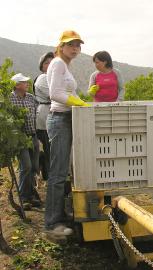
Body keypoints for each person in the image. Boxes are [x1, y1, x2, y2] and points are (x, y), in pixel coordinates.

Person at [45, 30, 89, 237]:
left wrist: (81, 99)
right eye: (71, 44)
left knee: (63, 171)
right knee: (57, 174)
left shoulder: (65, 65)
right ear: (61, 46)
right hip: (59, 119)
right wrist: (75, 101)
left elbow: (67, 92)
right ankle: (52, 224)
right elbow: (55, 93)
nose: (75, 48)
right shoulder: (57, 63)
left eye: (77, 45)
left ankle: (59, 215)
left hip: (66, 119)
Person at [10, 73, 40, 210]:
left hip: (32, 136)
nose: (27, 84)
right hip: (20, 139)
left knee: (34, 167)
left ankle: (30, 195)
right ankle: (23, 196)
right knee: (26, 166)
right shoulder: (10, 99)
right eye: (24, 82)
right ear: (17, 85)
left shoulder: (31, 98)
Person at [34, 52, 55, 181]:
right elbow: (53, 94)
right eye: (46, 62)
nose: (50, 65)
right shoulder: (43, 78)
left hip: (52, 112)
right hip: (44, 114)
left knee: (52, 148)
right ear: (42, 66)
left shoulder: (54, 78)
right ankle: (49, 176)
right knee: (49, 148)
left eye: (52, 62)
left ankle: (49, 173)